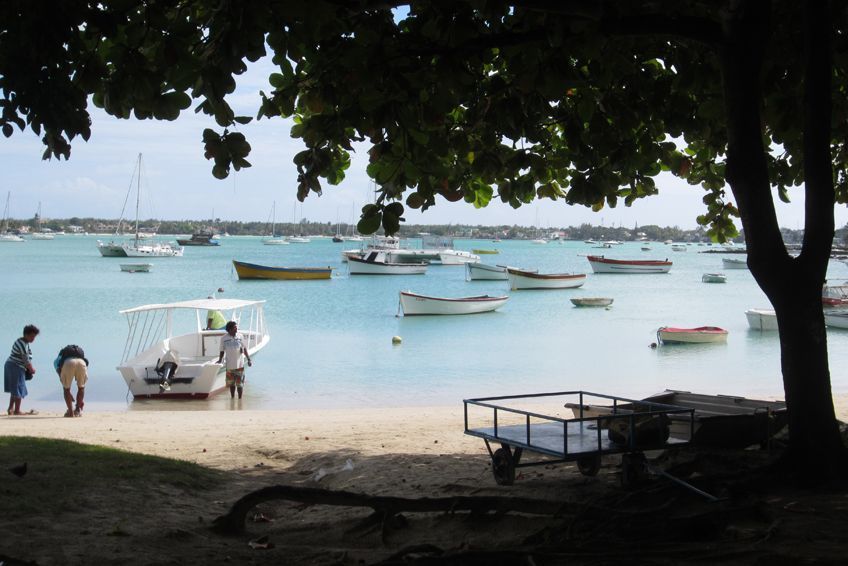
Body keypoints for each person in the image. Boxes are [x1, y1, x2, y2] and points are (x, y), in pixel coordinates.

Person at [5, 324, 39, 416]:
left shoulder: (23, 342)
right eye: (32, 336)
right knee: (19, 387)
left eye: (34, 337)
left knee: (14, 388)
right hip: (15, 366)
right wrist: (31, 369)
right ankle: (17, 410)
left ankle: (10, 408)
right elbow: (25, 359)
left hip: (12, 365)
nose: (33, 339)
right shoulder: (22, 344)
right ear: (26, 335)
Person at [217, 321, 252, 399]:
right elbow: (222, 350)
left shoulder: (240, 336)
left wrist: (249, 359)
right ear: (230, 329)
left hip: (240, 365)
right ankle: (232, 398)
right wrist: (220, 360)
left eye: (236, 327)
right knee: (231, 385)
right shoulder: (223, 338)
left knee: (240, 385)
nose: (237, 328)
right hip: (230, 366)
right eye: (235, 327)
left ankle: (240, 399)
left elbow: (244, 348)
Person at [53, 345, 89, 417]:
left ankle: (70, 412)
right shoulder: (79, 354)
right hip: (82, 363)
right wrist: (80, 401)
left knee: (66, 389)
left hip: (68, 363)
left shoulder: (58, 359)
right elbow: (86, 364)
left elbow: (60, 373)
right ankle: (77, 410)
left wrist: (67, 391)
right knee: (81, 387)